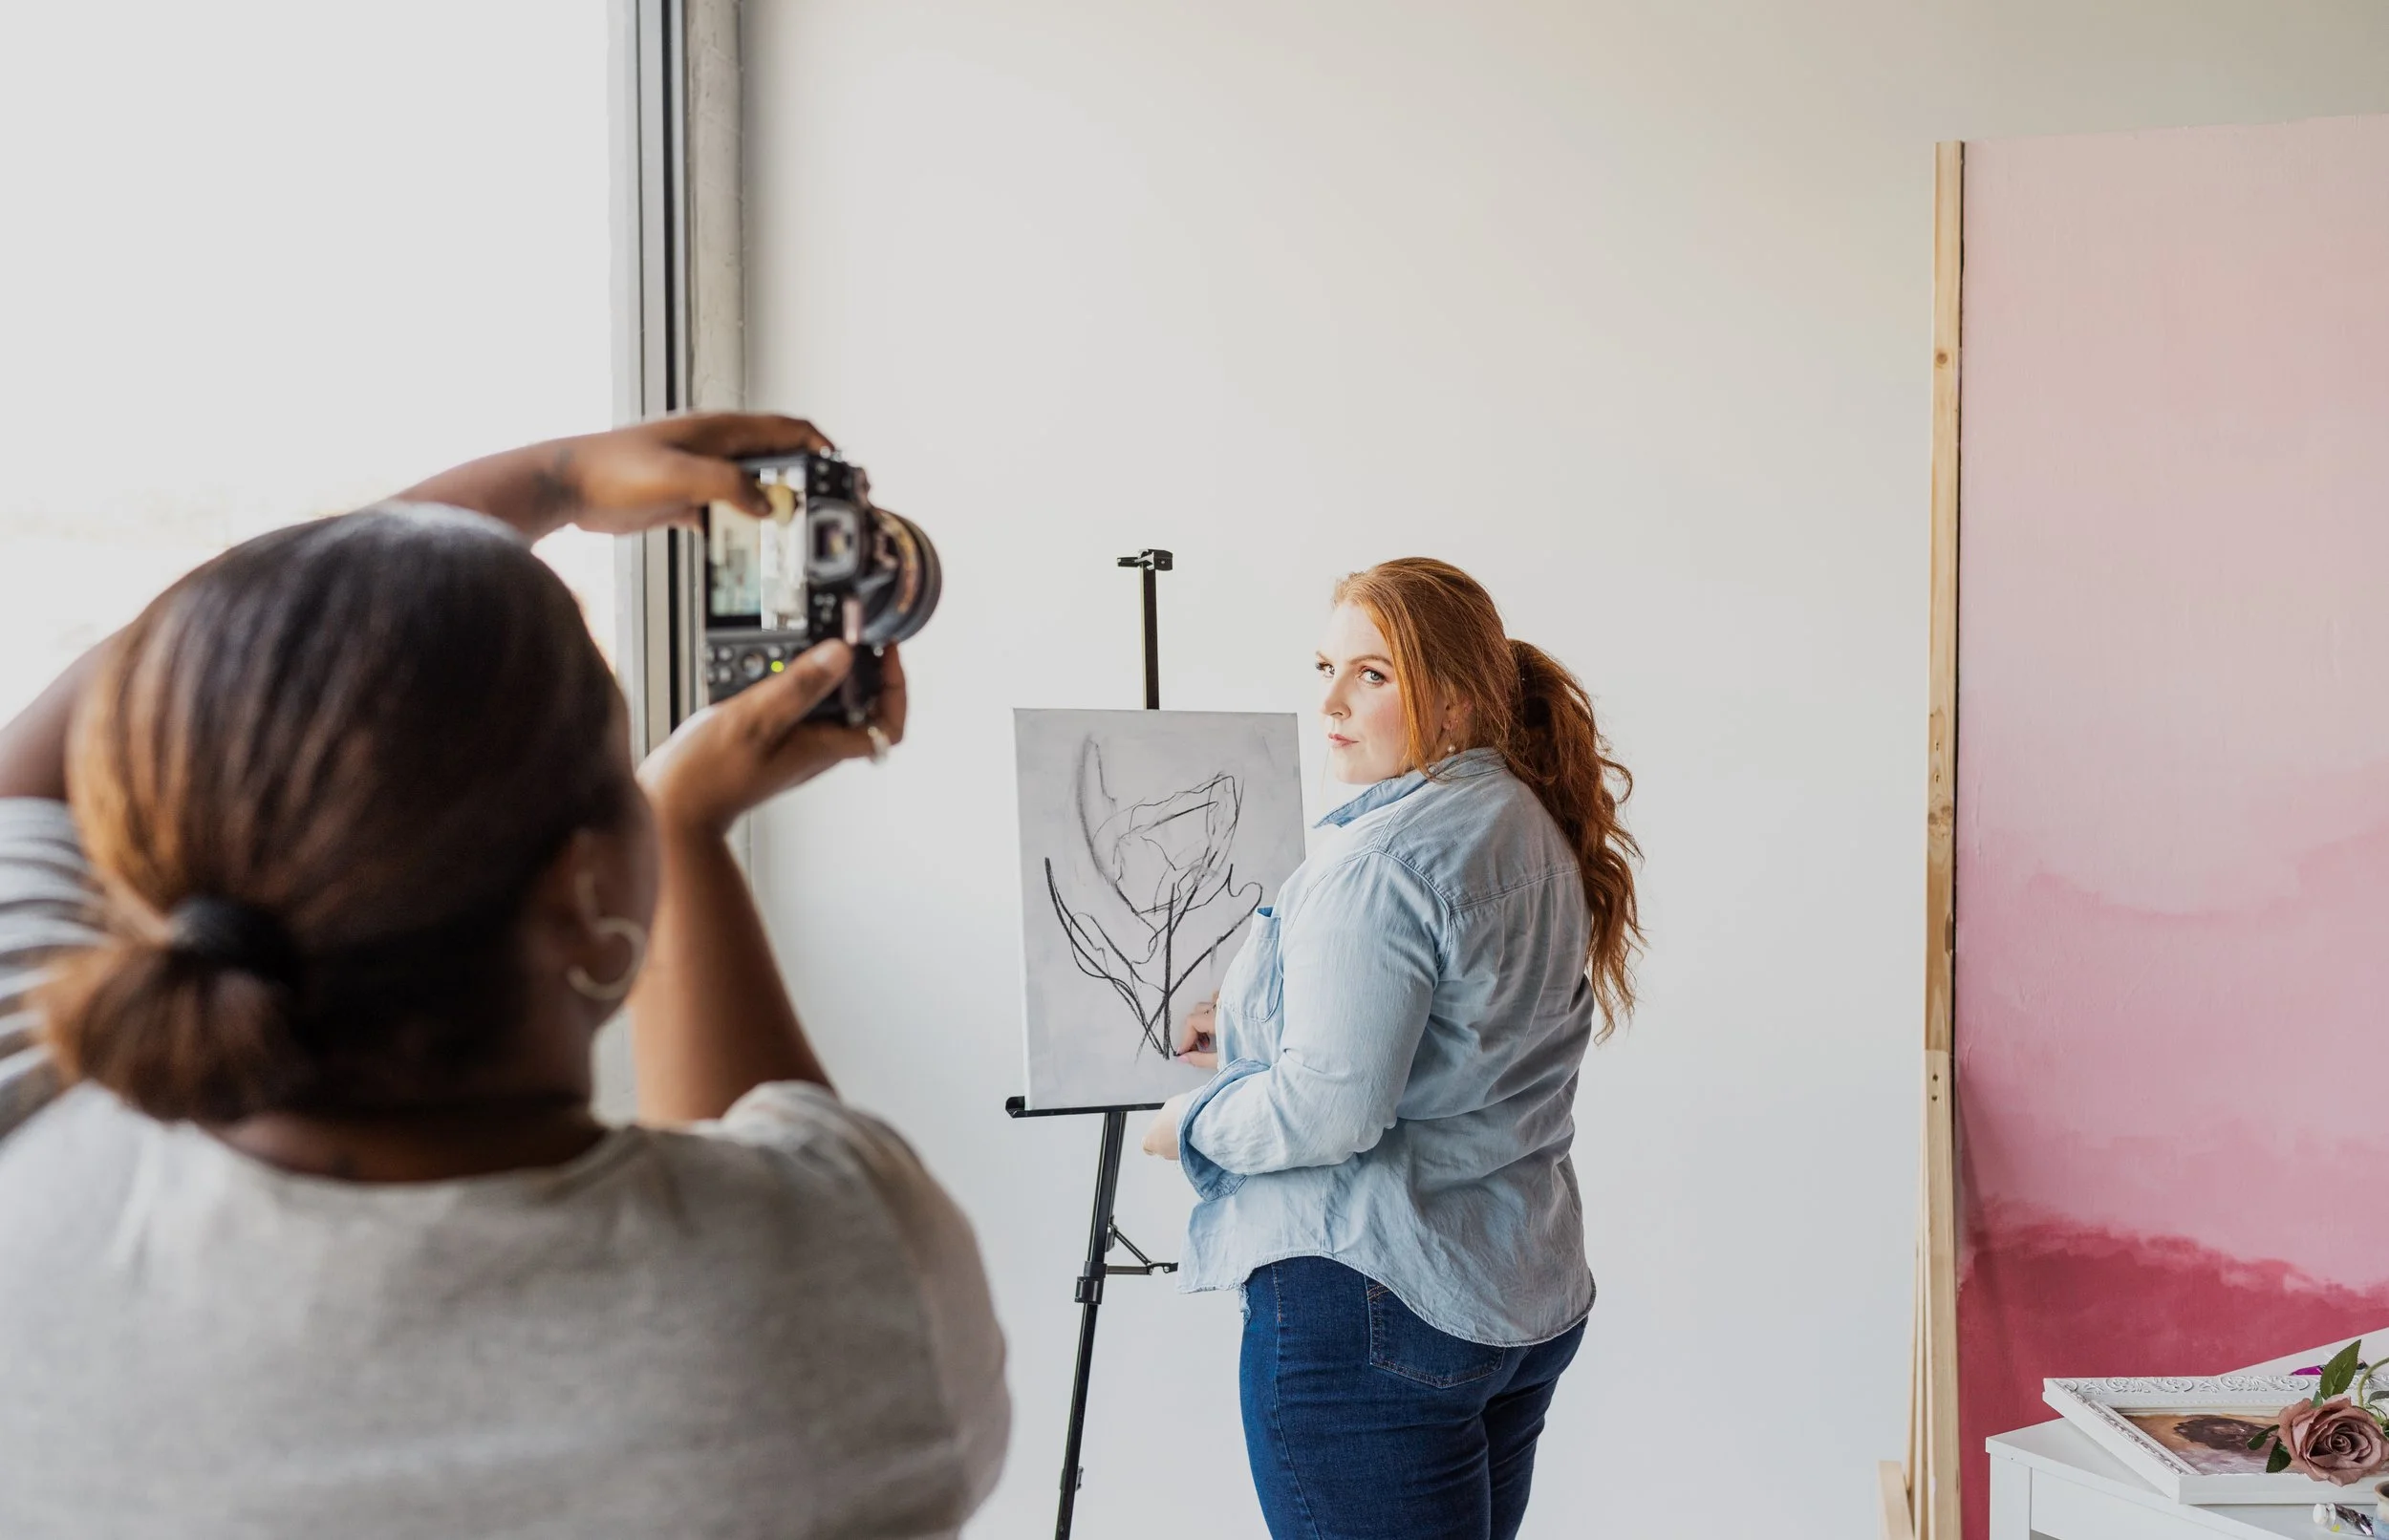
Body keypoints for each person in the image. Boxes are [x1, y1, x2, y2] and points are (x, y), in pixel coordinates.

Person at [0, 416, 1007, 1540]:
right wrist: (686, 826)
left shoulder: (29, 1131)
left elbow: (57, 758)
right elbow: (777, 1188)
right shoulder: (849, 1297)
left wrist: (548, 482)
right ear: (585, 894)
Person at [1141, 557, 1641, 1540]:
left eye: (1372, 674)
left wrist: (1182, 1124)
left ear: (1453, 698)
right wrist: (1248, 1025)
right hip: (1507, 1293)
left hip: (1374, 1306)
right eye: (1325, 665)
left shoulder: (1378, 860)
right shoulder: (1523, 823)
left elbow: (1328, 1109)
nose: (1330, 700)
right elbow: (1456, 1033)